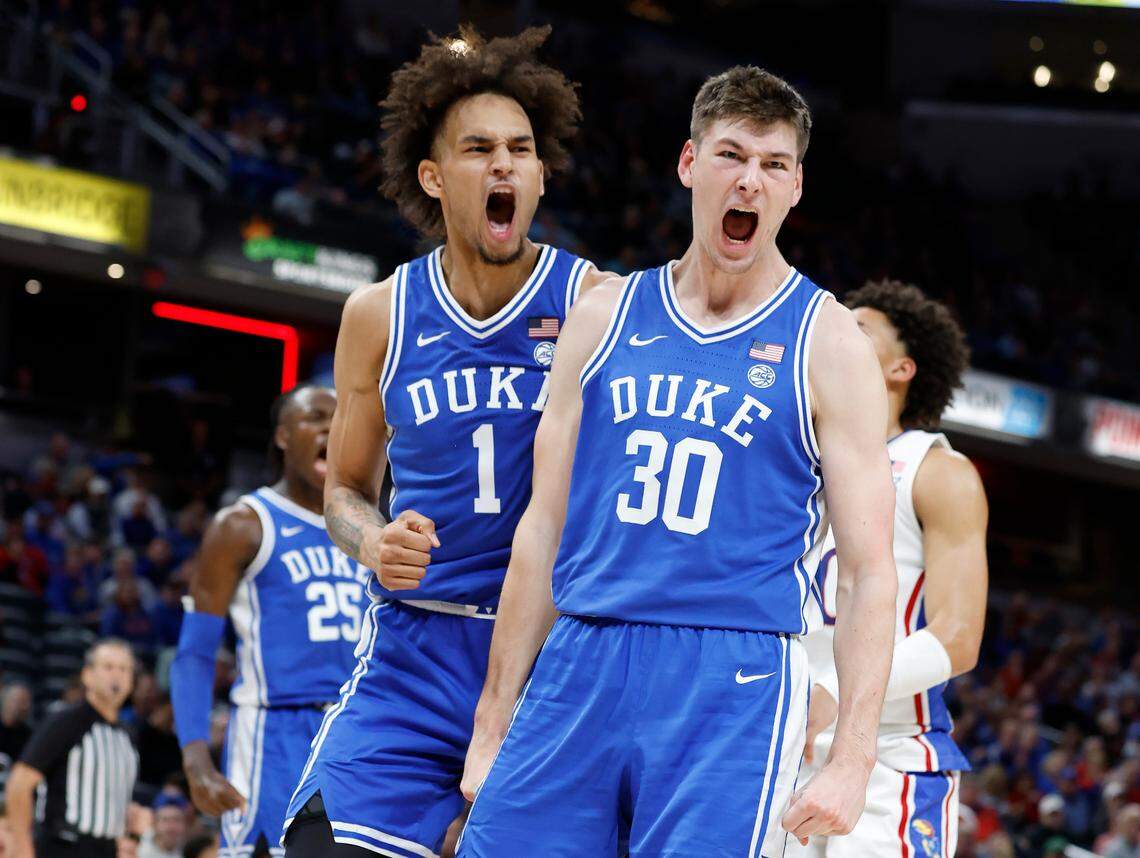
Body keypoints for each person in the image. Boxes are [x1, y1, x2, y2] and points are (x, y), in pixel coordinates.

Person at [458, 65, 899, 856]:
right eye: (731, 156)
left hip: (731, 677)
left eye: (773, 165)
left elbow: (868, 571)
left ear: (796, 187)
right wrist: (492, 720)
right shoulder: (601, 316)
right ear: (690, 164)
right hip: (583, 653)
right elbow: (543, 526)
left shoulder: (829, 344)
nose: (750, 183)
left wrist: (852, 758)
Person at [282, 25, 607, 858]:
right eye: (478, 149)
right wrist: (372, 541)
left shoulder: (595, 304)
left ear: (540, 176)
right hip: (414, 651)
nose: (504, 165)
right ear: (433, 176)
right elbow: (344, 492)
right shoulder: (379, 314)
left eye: (521, 150)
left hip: (549, 659)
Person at [788, 279, 989, 858]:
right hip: (779, 746)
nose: (835, 335)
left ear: (902, 369)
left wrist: (834, 691)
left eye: (858, 328)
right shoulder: (791, 461)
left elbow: (957, 638)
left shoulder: (937, 472)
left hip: (890, 758)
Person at [170, 385, 367, 858]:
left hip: (355, 735)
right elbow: (196, 652)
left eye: (339, 419)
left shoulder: (372, 526)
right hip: (273, 736)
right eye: (314, 417)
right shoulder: (244, 523)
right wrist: (196, 757)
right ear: (281, 437)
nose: (328, 427)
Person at [4, 639, 139, 857]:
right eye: (108, 667)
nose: (117, 675)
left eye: (124, 669)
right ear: (87, 675)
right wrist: (23, 848)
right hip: (64, 846)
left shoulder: (128, 735)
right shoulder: (66, 721)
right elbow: (19, 784)